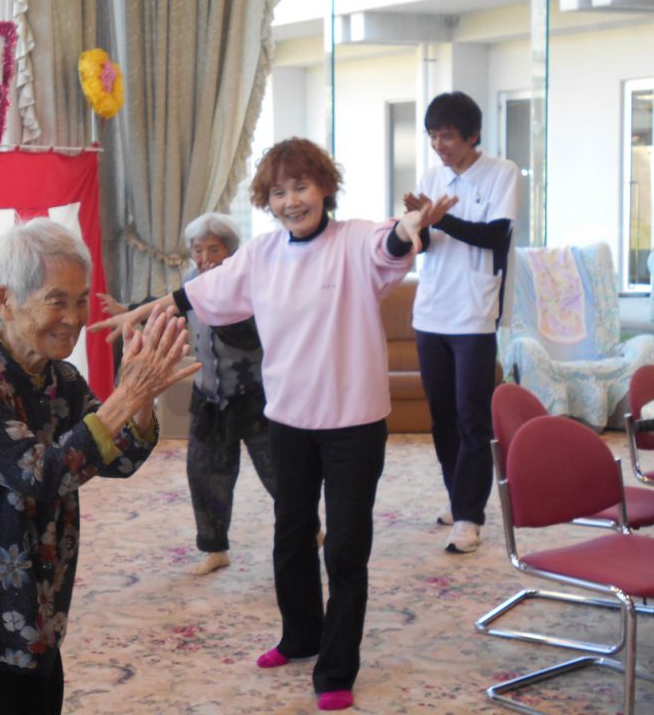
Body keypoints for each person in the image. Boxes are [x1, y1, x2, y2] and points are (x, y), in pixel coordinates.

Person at [91, 138, 454, 711]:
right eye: (279, 192)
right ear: (267, 200)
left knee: (345, 548)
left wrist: (414, 226)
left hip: (354, 423)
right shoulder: (261, 255)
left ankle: (337, 668)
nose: (291, 201)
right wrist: (143, 311)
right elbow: (199, 293)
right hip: (288, 420)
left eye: (302, 186)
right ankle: (301, 636)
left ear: (325, 187)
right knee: (291, 537)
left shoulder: (356, 240)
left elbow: (394, 243)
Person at [0, 217, 198, 715]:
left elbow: (121, 456)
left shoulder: (61, 378)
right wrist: (126, 397)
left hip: (34, 605)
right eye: (57, 301)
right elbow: (39, 474)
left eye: (80, 301)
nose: (74, 318)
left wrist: (142, 399)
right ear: (5, 299)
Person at [102, 212, 276, 576]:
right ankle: (215, 549)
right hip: (209, 396)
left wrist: (217, 298)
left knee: (277, 471)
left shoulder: (248, 285)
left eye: (214, 249)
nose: (204, 257)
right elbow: (167, 304)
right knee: (204, 473)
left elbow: (252, 337)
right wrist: (129, 311)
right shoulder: (191, 283)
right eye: (198, 250)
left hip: (254, 396)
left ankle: (308, 527)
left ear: (231, 252)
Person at [403, 91, 518, 555]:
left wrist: (441, 220)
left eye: (447, 136)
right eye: (432, 136)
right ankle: (458, 497)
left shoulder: (501, 172)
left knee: (472, 417)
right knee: (442, 418)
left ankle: (470, 516)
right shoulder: (432, 176)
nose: (438, 146)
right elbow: (428, 244)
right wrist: (418, 225)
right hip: (430, 310)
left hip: (474, 312)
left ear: (472, 135)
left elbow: (495, 235)